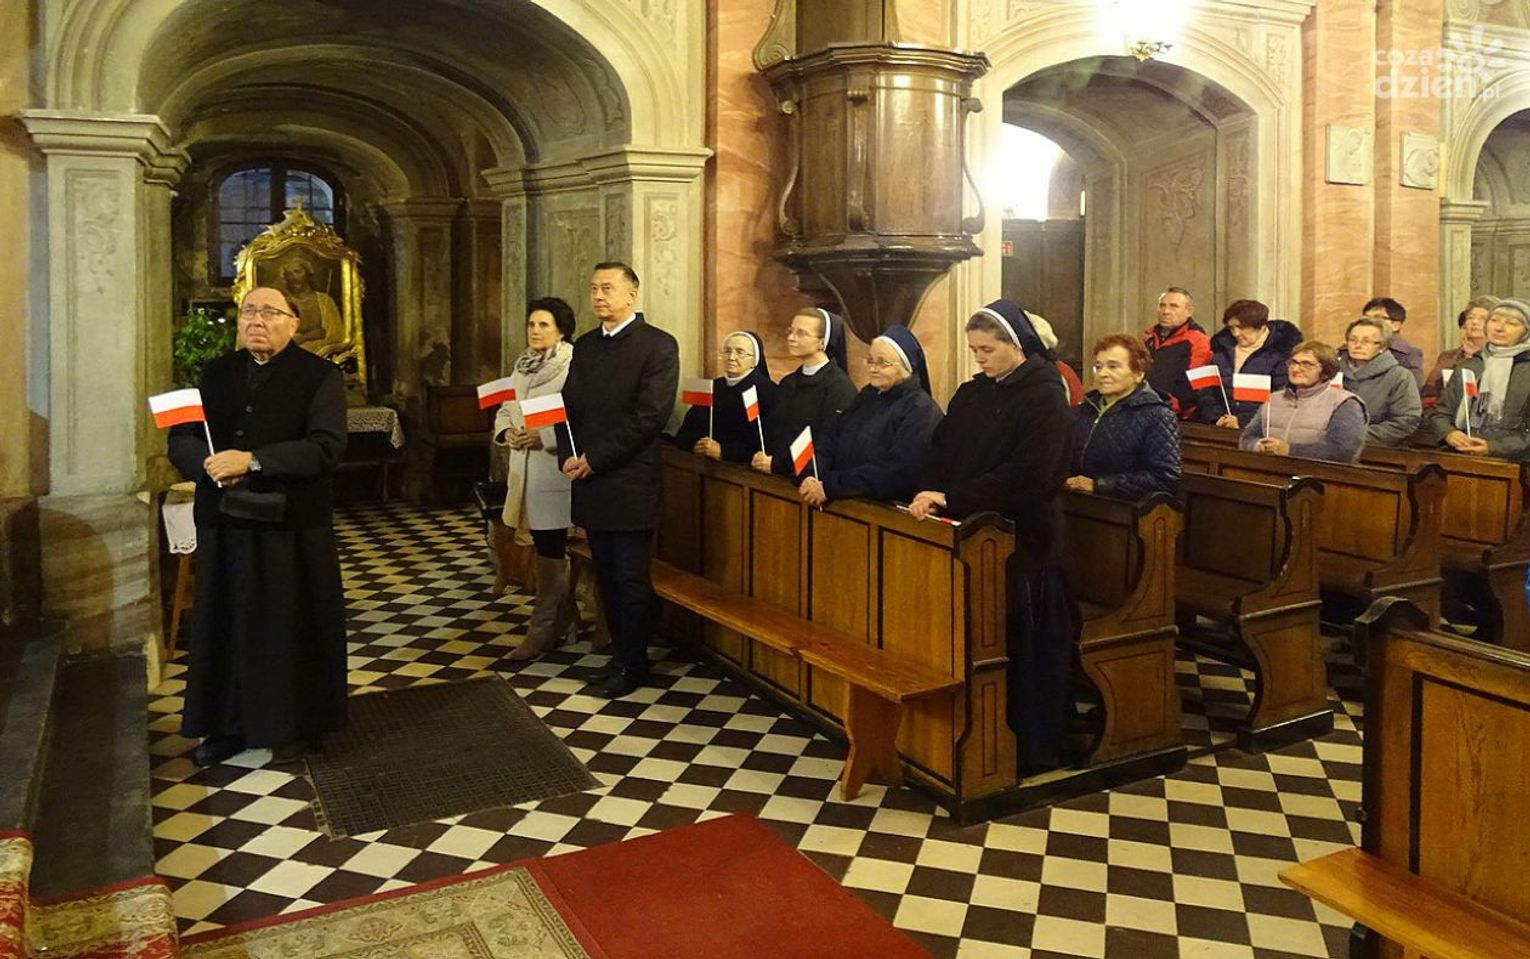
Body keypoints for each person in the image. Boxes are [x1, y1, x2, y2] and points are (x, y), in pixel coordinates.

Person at [167, 286, 348, 766]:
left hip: (290, 526)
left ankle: (295, 725)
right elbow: (182, 436)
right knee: (225, 624)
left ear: (294, 323)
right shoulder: (215, 373)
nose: (256, 320)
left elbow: (326, 446)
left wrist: (253, 461)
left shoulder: (320, 376)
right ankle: (227, 724)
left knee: (287, 625)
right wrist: (206, 464)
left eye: (269, 312)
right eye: (249, 311)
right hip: (224, 522)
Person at [908, 299, 1077, 773]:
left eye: (986, 349)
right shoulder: (972, 393)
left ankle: (1030, 747)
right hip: (970, 536)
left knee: (1025, 648)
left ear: (1016, 345)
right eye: (974, 350)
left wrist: (952, 496)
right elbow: (940, 448)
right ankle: (971, 735)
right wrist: (927, 490)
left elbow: (1032, 474)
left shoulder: (1046, 396)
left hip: (1026, 544)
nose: (979, 358)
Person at [559, 262, 679, 698]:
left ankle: (634, 662)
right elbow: (566, 407)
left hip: (629, 482)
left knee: (630, 577)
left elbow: (649, 417)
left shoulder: (657, 346)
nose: (598, 296)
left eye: (607, 288)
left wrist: (595, 459)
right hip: (590, 481)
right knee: (605, 574)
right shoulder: (586, 346)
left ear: (632, 294)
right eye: (594, 288)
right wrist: (569, 453)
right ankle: (618, 656)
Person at [493, 297, 578, 662]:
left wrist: (543, 437)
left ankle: (539, 632)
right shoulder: (522, 365)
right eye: (532, 324)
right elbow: (507, 407)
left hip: (554, 471)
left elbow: (578, 417)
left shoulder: (572, 365)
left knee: (551, 549)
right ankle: (566, 621)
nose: (535, 330)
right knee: (543, 548)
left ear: (561, 330)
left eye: (544, 324)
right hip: (523, 471)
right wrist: (508, 431)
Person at [798, 325, 942, 507]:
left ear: (906, 368)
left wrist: (831, 486)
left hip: (882, 511)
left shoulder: (920, 410)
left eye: (883, 363)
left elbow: (896, 471)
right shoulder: (866, 396)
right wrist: (813, 475)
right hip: (840, 502)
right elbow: (831, 435)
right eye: (870, 360)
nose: (873, 368)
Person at [1065, 334, 1181, 500]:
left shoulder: (1157, 416)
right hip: (1074, 501)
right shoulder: (1082, 410)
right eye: (1098, 367)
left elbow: (1165, 478)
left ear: (1138, 373)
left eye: (1113, 367)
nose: (1102, 374)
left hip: (1121, 508)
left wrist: (1099, 485)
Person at [753, 308, 858, 478]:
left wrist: (777, 464)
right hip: (774, 475)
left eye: (801, 333)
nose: (791, 338)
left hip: (808, 479)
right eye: (791, 331)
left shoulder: (839, 388)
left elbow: (826, 443)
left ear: (822, 343)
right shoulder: (788, 383)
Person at [1427, 299, 1530, 460]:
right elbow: (1441, 413)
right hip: (1461, 456)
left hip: (1514, 462)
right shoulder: (1470, 365)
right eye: (1494, 320)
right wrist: (1449, 433)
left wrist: (1493, 447)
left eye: (1511, 323)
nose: (1499, 328)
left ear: (1526, 332)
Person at [1240, 341, 1366, 463]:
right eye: (1293, 362)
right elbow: (1246, 439)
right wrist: (1258, 446)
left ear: (1326, 371)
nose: (1295, 369)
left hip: (1318, 475)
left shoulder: (1345, 403)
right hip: (1269, 469)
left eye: (1306, 364)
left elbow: (1342, 451)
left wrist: (1290, 450)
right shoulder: (1274, 399)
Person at [1196, 299, 1302, 428]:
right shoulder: (1221, 348)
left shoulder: (1282, 353)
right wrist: (1216, 417)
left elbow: (1283, 397)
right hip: (1220, 426)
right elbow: (1207, 390)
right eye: (1232, 328)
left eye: (1242, 327)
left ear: (1261, 326)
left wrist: (1242, 421)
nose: (1236, 333)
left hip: (1263, 428)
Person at [674, 331, 777, 462]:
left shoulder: (769, 393)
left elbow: (767, 444)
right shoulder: (713, 388)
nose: (732, 357)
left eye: (740, 352)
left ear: (754, 360)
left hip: (741, 470)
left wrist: (724, 451)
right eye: (727, 351)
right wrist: (696, 444)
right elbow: (685, 432)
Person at [1338, 316, 1422, 447]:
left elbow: (1406, 420)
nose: (1358, 345)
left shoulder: (1399, 376)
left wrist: (1357, 436)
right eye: (1352, 340)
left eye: (1366, 341)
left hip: (1378, 448)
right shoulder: (1333, 371)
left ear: (1382, 346)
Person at [1142, 286, 1212, 421]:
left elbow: (1196, 385)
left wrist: (1172, 405)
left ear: (1188, 311)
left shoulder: (1198, 341)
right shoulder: (1148, 337)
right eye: (1162, 305)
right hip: (1144, 407)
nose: (1166, 311)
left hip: (1177, 414)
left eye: (1174, 306)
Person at [1422, 297, 1495, 408]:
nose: (1474, 322)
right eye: (1471, 317)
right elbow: (1429, 395)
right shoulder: (1447, 358)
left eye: (1483, 319)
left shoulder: (1499, 359)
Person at [1361, 296, 1424, 385]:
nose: (1369, 323)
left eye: (1377, 318)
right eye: (1365, 318)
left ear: (1395, 326)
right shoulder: (1350, 349)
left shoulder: (1408, 355)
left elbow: (1412, 386)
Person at [281, 259, 344, 347]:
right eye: (289, 274)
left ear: (308, 274)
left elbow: (336, 336)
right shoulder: (281, 302)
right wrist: (307, 337)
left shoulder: (324, 301)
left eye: (297, 272)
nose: (293, 277)